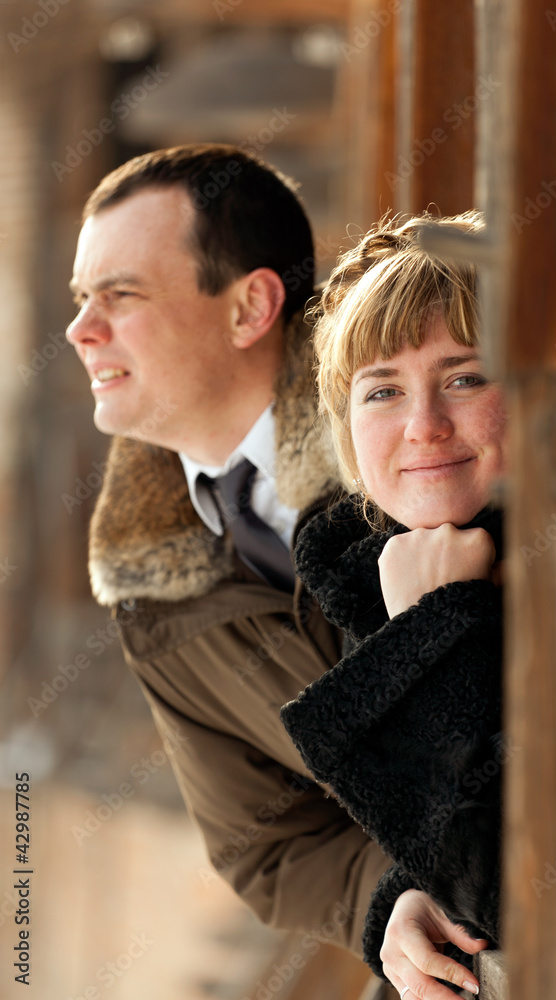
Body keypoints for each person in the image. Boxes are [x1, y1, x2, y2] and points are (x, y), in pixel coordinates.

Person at [65, 144, 395, 962]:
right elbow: (267, 848)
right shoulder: (148, 587)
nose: (79, 330)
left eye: (120, 295)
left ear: (249, 308)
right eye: (79, 300)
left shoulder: (407, 439)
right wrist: (388, 902)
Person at [281, 211, 507, 999]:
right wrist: (401, 903)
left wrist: (436, 627)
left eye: (464, 376)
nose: (423, 426)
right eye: (381, 390)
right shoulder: (366, 583)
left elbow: (514, 883)